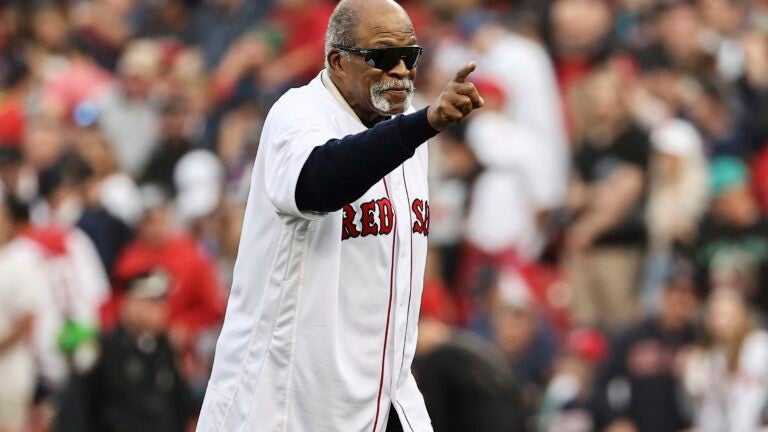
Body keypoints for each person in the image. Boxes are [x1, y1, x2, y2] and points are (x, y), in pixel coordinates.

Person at [197, 0, 484, 430]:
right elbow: (319, 182)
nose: (401, 71)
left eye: (410, 57)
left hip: (385, 397)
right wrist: (421, 125)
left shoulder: (411, 131)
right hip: (286, 402)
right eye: (384, 57)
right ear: (338, 61)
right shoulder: (298, 115)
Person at [54, 270, 196, 432]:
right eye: (152, 302)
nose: (161, 310)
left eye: (163, 302)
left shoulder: (165, 349)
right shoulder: (102, 350)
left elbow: (181, 405)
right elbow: (75, 409)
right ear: (129, 303)